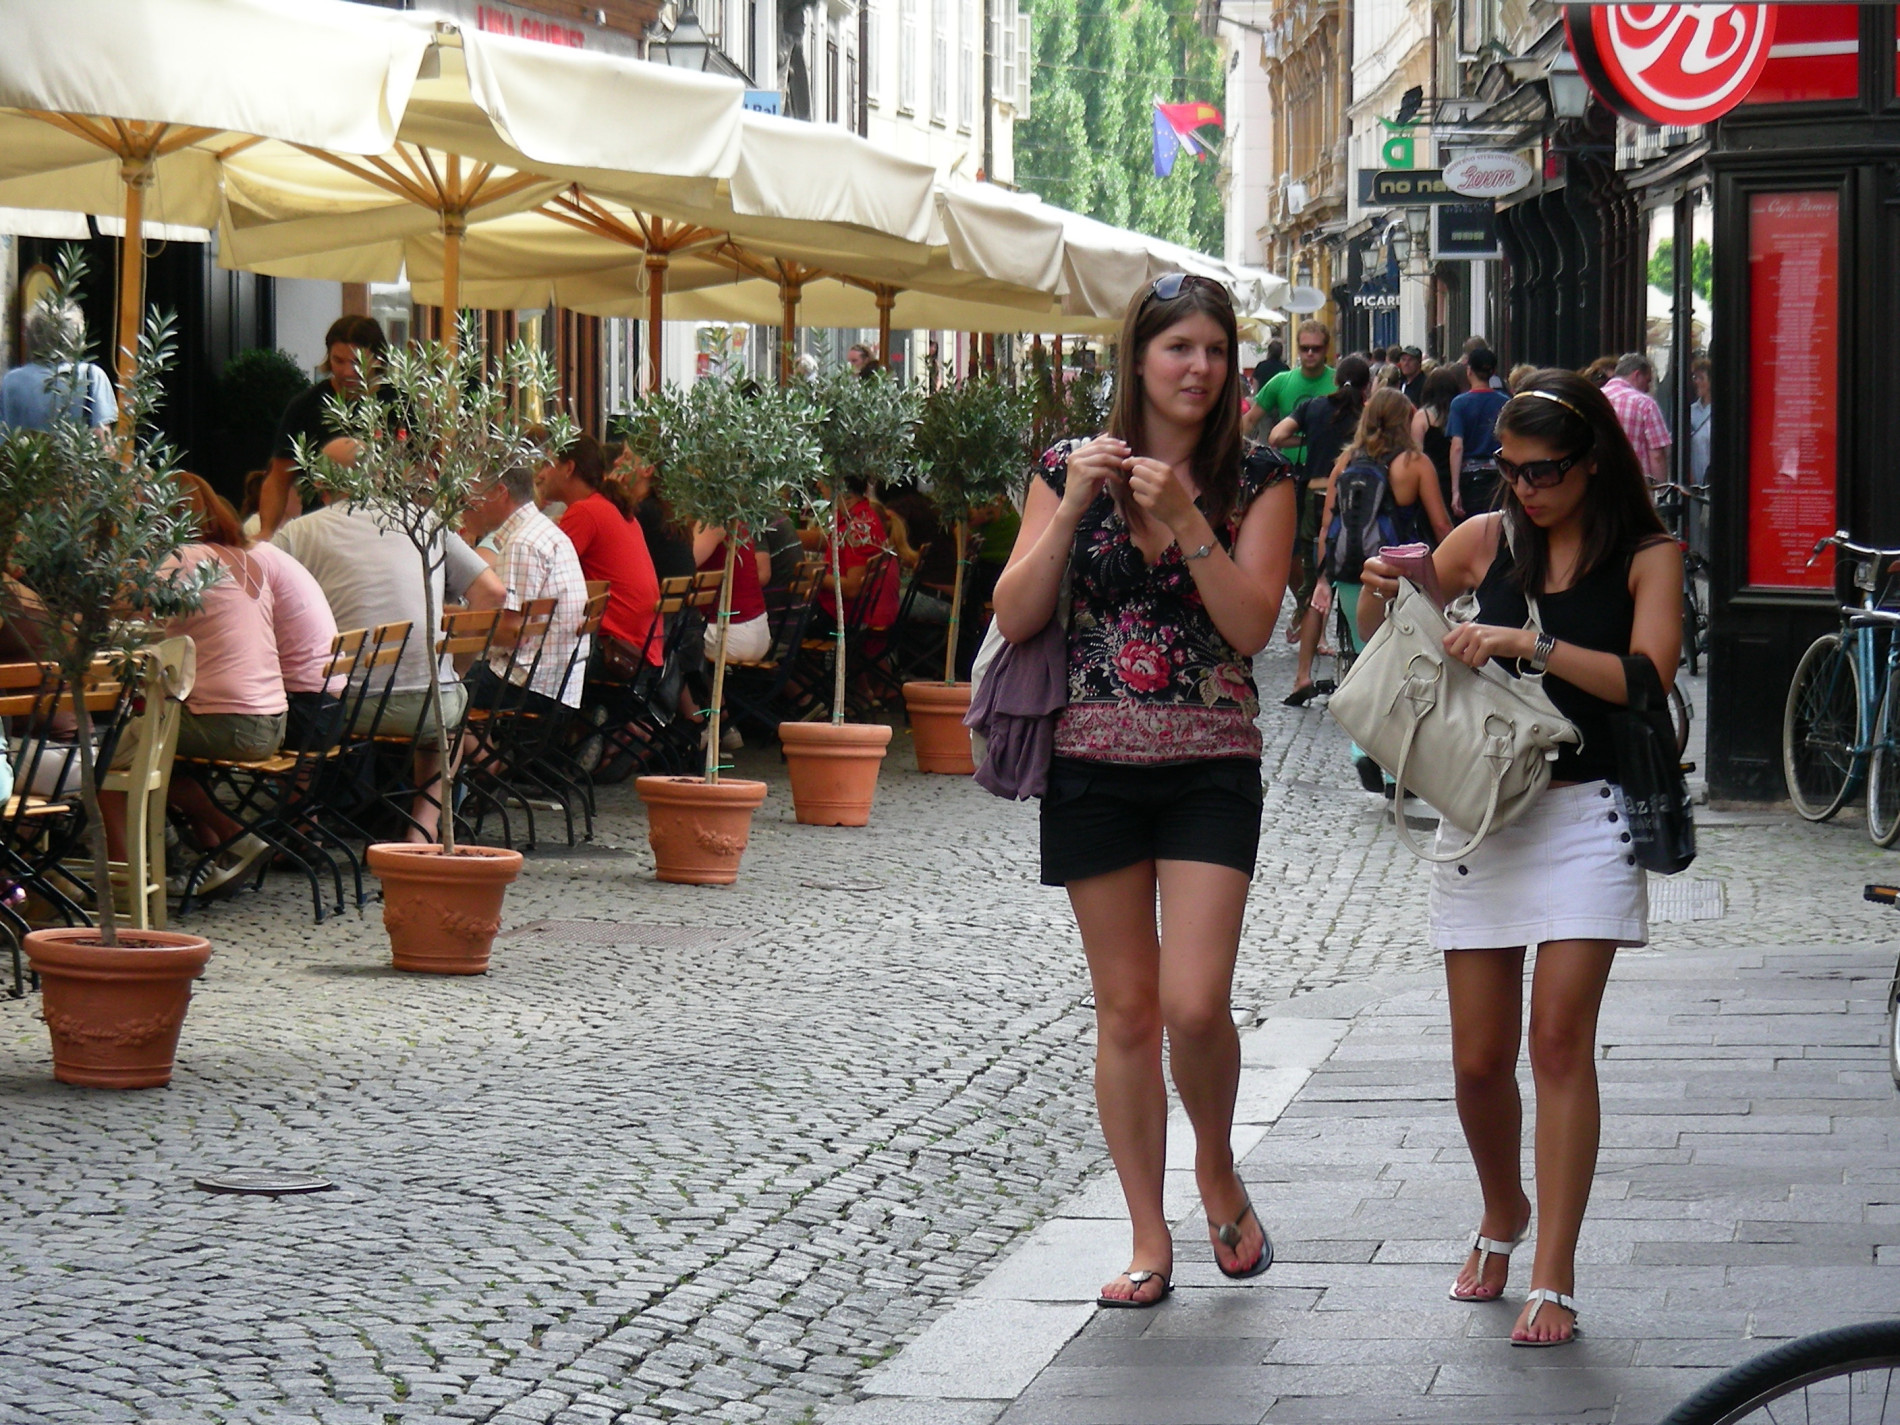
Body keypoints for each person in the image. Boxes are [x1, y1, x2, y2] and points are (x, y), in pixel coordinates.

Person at [1353, 371, 1681, 1346]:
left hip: (1587, 814)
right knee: (1475, 1060)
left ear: (1591, 466)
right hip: (1484, 812)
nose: (1525, 488)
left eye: (1544, 472)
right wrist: (1382, 600)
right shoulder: (1487, 539)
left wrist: (1527, 643)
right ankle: (1503, 1210)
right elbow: (1398, 638)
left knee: (1556, 1044)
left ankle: (1552, 1270)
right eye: (1509, 469)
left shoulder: (1647, 553)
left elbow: (1645, 677)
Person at [992, 272, 1295, 1310]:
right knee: (1125, 1011)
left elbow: (1253, 627)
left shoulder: (1259, 476)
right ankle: (1144, 1233)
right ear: (1138, 358)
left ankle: (1216, 1163)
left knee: (1192, 1000)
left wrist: (1190, 523)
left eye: (1214, 349)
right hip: (1092, 767)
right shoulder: (1065, 468)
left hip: (1211, 760)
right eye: (1179, 349)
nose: (1199, 368)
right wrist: (1076, 503)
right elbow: (1017, 610)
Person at [271, 437, 504, 842]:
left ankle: (300, 820)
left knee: (296, 709)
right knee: (441, 728)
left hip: (340, 705)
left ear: (322, 483)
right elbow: (493, 593)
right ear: (382, 477)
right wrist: (453, 670)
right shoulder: (424, 520)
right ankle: (423, 828)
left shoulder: (300, 533)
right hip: (427, 700)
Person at [158, 475, 290, 892]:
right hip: (272, 719)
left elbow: (131, 607)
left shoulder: (183, 557)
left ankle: (232, 836)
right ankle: (214, 853)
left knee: (126, 752)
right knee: (162, 749)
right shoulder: (245, 559)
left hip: (229, 723)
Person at [1316, 387, 1451, 790]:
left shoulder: (1346, 461)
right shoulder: (1415, 463)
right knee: (1401, 666)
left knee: (1363, 662)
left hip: (1351, 573)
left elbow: (1328, 524)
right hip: (1397, 574)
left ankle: (1362, 749)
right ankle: (1395, 771)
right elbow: (1440, 524)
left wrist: (1325, 575)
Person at [1270, 354, 1371, 705]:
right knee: (1364, 584)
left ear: (1335, 380)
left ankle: (1302, 677)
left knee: (1317, 588)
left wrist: (1308, 441)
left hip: (1314, 498)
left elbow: (1276, 435)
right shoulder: (1367, 415)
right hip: (1357, 501)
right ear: (1366, 386)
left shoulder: (1313, 407)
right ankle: (1366, 676)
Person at [460, 465, 592, 717]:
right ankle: (481, 755)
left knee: (435, 689)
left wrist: (457, 630)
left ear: (500, 492)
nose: (470, 503)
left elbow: (512, 634)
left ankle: (476, 757)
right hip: (559, 681)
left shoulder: (522, 542)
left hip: (529, 683)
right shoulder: (542, 530)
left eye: (473, 493)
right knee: (448, 683)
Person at [541, 434, 664, 669]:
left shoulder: (585, 512)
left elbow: (542, 576)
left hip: (616, 650)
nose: (541, 474)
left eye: (548, 465)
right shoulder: (608, 506)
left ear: (568, 468)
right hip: (643, 646)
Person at [259, 315, 388, 537]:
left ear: (377, 359)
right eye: (339, 361)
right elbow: (279, 477)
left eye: (358, 363)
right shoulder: (306, 406)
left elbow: (418, 472)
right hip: (322, 531)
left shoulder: (398, 405)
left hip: (384, 528)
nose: (348, 371)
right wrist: (266, 531)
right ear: (328, 357)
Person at [1254, 321, 1337, 646]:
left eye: (1316, 348)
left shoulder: (1337, 381)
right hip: (1288, 479)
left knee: (1323, 556)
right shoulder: (1281, 382)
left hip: (1330, 481)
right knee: (1290, 556)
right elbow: (1252, 420)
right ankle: (1304, 608)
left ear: (1326, 348)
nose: (1310, 354)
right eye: (1304, 348)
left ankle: (1315, 629)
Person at [0, 300, 117, 434]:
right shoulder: (91, 376)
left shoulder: (11, 381)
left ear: (30, 335)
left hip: (22, 454)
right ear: (76, 336)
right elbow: (102, 438)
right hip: (73, 454)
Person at [1448, 348, 1509, 521]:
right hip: (1499, 477)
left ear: (1469, 371)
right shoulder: (1505, 402)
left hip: (1471, 479)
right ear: (1493, 372)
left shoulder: (1459, 404)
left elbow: (1457, 447)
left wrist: (1455, 490)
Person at [1603, 354, 1672, 485]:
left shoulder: (1595, 399)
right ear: (1637, 375)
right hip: (1634, 486)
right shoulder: (1645, 404)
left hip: (1598, 486)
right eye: (1647, 381)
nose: (1648, 388)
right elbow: (1657, 455)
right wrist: (1661, 489)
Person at [1412, 365, 1465, 518]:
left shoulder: (1423, 417)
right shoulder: (1459, 414)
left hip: (1431, 480)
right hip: (1459, 478)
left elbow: (1416, 453)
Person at [1687, 358, 1711, 486]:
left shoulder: (1721, 413)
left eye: (1701, 378)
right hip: (1692, 484)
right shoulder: (1689, 412)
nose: (1696, 382)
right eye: (1695, 378)